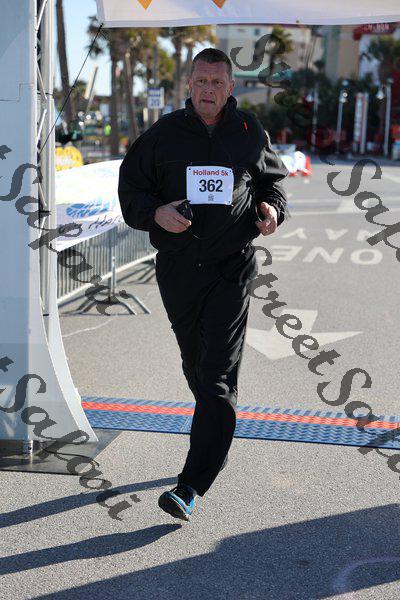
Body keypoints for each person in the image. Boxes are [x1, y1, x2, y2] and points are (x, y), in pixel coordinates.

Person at [118, 48, 289, 522]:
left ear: (230, 87)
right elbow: (130, 190)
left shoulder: (249, 131)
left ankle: (191, 484)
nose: (208, 90)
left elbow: (272, 184)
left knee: (215, 376)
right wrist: (155, 213)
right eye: (201, 82)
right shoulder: (163, 135)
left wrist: (272, 210)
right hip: (178, 270)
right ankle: (215, 430)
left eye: (217, 82)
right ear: (189, 85)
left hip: (231, 268)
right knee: (196, 366)